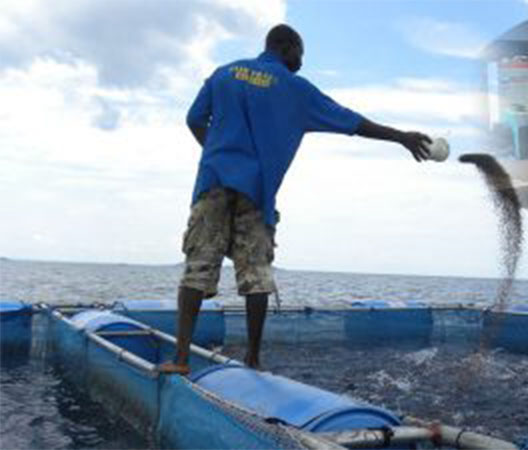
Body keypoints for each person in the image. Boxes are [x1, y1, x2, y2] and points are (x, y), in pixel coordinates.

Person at [156, 24, 432, 374]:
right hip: (257, 192)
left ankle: (180, 359)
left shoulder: (222, 74)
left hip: (213, 180)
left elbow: (194, 118)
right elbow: (351, 122)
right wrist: (401, 137)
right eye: (300, 52)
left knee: (198, 265)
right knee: (256, 272)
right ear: (286, 47)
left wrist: (218, 153)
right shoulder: (294, 88)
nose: (301, 60)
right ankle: (253, 360)